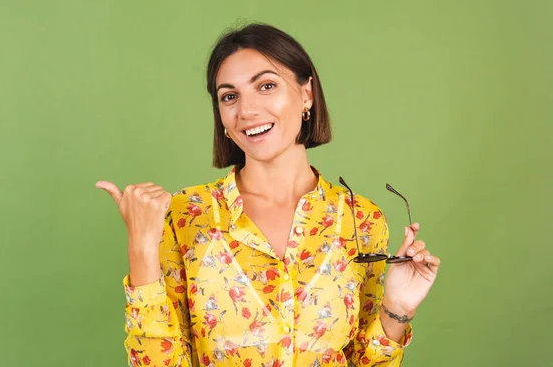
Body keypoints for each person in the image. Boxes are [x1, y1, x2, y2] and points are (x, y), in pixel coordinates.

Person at [96, 23, 440, 367]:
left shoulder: (361, 219)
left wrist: (397, 310)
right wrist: (141, 248)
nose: (247, 110)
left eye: (266, 86)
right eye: (230, 96)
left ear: (306, 94)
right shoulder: (186, 214)